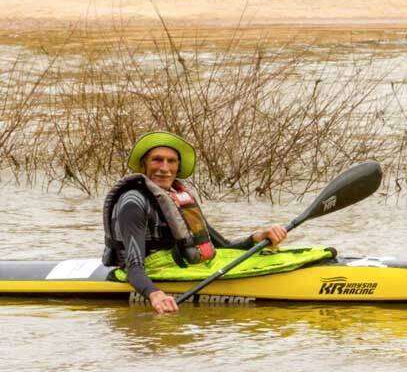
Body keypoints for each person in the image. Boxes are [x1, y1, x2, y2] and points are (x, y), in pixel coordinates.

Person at [102, 131, 287, 314]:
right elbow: (133, 267)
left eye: (171, 161)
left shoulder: (179, 199)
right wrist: (155, 294)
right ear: (144, 165)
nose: (164, 168)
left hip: (181, 265)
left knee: (260, 256)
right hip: (151, 274)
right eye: (157, 160)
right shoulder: (133, 202)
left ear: (178, 167)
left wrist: (260, 236)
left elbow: (223, 245)